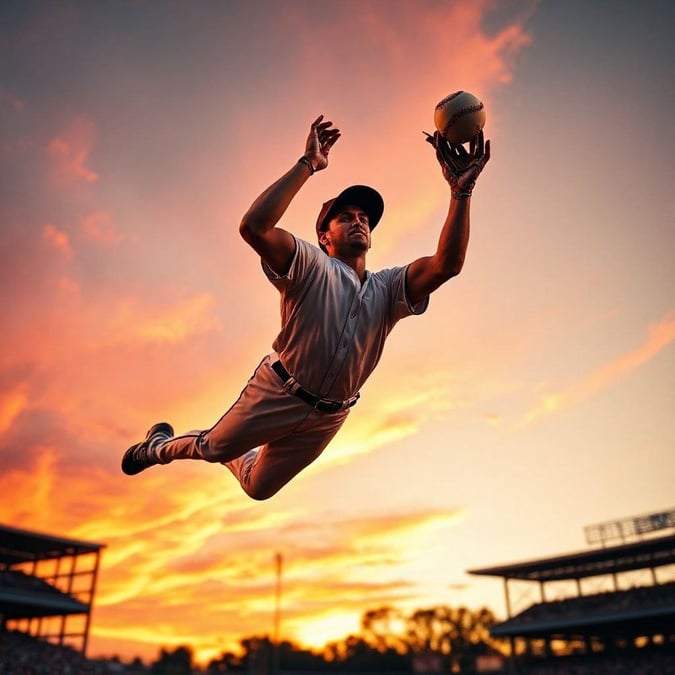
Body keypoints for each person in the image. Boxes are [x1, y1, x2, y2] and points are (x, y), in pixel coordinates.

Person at [121, 115, 490, 500]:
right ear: (323, 235)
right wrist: (309, 164)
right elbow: (254, 227)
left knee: (258, 488)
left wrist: (460, 193)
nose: (359, 222)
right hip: (278, 392)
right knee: (215, 448)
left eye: (364, 218)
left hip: (329, 416)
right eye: (345, 217)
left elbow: (448, 265)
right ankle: (158, 447)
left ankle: (228, 453)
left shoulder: (389, 288)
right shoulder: (310, 264)